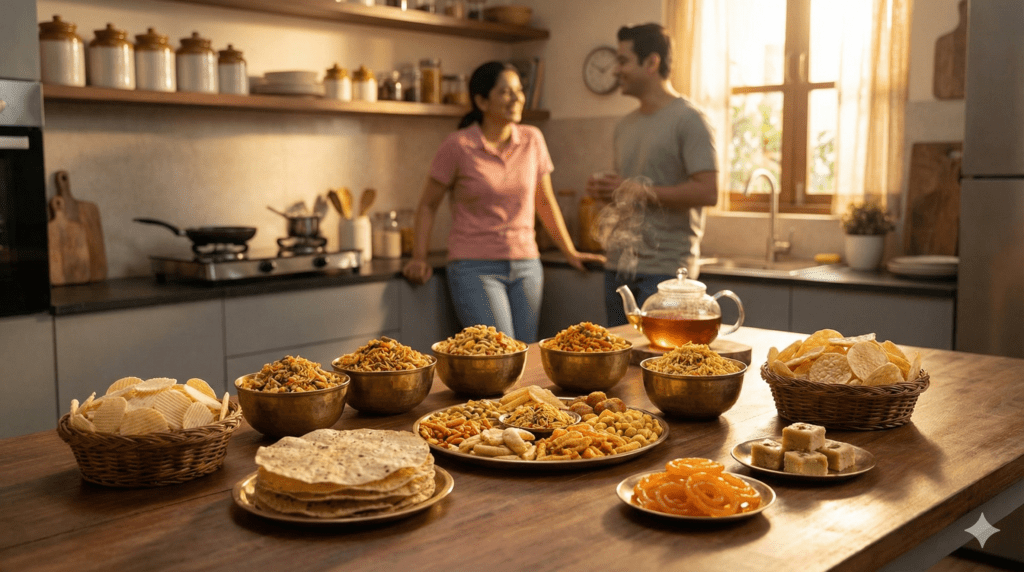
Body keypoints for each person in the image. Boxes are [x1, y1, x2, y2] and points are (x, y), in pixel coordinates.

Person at [402, 61, 604, 343]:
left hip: (527, 265)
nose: (517, 98)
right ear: (482, 101)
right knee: (501, 353)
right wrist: (419, 257)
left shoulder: (532, 139)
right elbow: (427, 205)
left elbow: (544, 202)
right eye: (506, 92)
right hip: (474, 266)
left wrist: (570, 252)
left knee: (527, 354)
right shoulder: (458, 145)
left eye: (519, 91)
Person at [586, 23, 719, 327]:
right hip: (619, 266)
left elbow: (708, 192)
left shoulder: (690, 120)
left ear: (651, 62)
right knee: (618, 363)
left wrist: (636, 189)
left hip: (667, 273)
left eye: (622, 61)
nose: (616, 70)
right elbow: (630, 194)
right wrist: (610, 192)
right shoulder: (624, 125)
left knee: (660, 365)